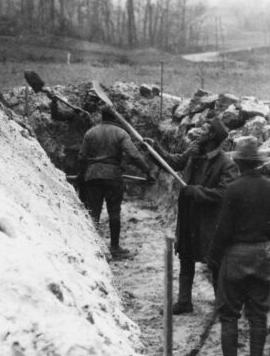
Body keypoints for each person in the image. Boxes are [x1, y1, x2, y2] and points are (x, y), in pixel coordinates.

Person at [204, 136, 270, 356]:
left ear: (238, 163)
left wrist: (213, 257)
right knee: (258, 315)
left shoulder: (234, 189)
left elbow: (223, 229)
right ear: (258, 163)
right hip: (261, 256)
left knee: (229, 314)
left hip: (235, 257)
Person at [147, 116, 238, 314]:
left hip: (209, 221)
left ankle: (222, 304)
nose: (198, 133)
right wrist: (155, 149)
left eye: (203, 130)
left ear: (212, 136)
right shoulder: (195, 153)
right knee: (186, 257)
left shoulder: (226, 164)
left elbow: (224, 193)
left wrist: (196, 191)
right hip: (189, 216)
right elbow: (174, 162)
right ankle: (184, 302)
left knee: (215, 261)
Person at [79, 107, 154, 260]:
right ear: (115, 118)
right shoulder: (121, 133)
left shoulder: (90, 132)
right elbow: (134, 155)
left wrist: (82, 174)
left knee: (94, 212)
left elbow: (81, 157)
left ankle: (92, 248)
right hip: (113, 176)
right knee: (114, 211)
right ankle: (114, 248)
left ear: (102, 117)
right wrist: (147, 171)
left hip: (93, 176)